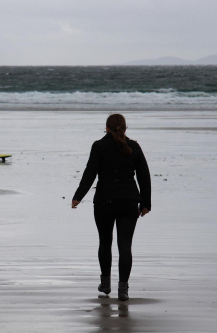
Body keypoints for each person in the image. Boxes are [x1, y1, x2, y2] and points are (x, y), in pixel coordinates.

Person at [71, 114, 151, 301]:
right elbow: (144, 176)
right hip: (129, 201)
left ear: (106, 128)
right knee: (125, 245)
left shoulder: (99, 146)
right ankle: (123, 289)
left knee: (105, 242)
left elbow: (90, 173)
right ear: (125, 128)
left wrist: (78, 197)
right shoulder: (134, 147)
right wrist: (146, 202)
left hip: (104, 202)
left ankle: (105, 284)